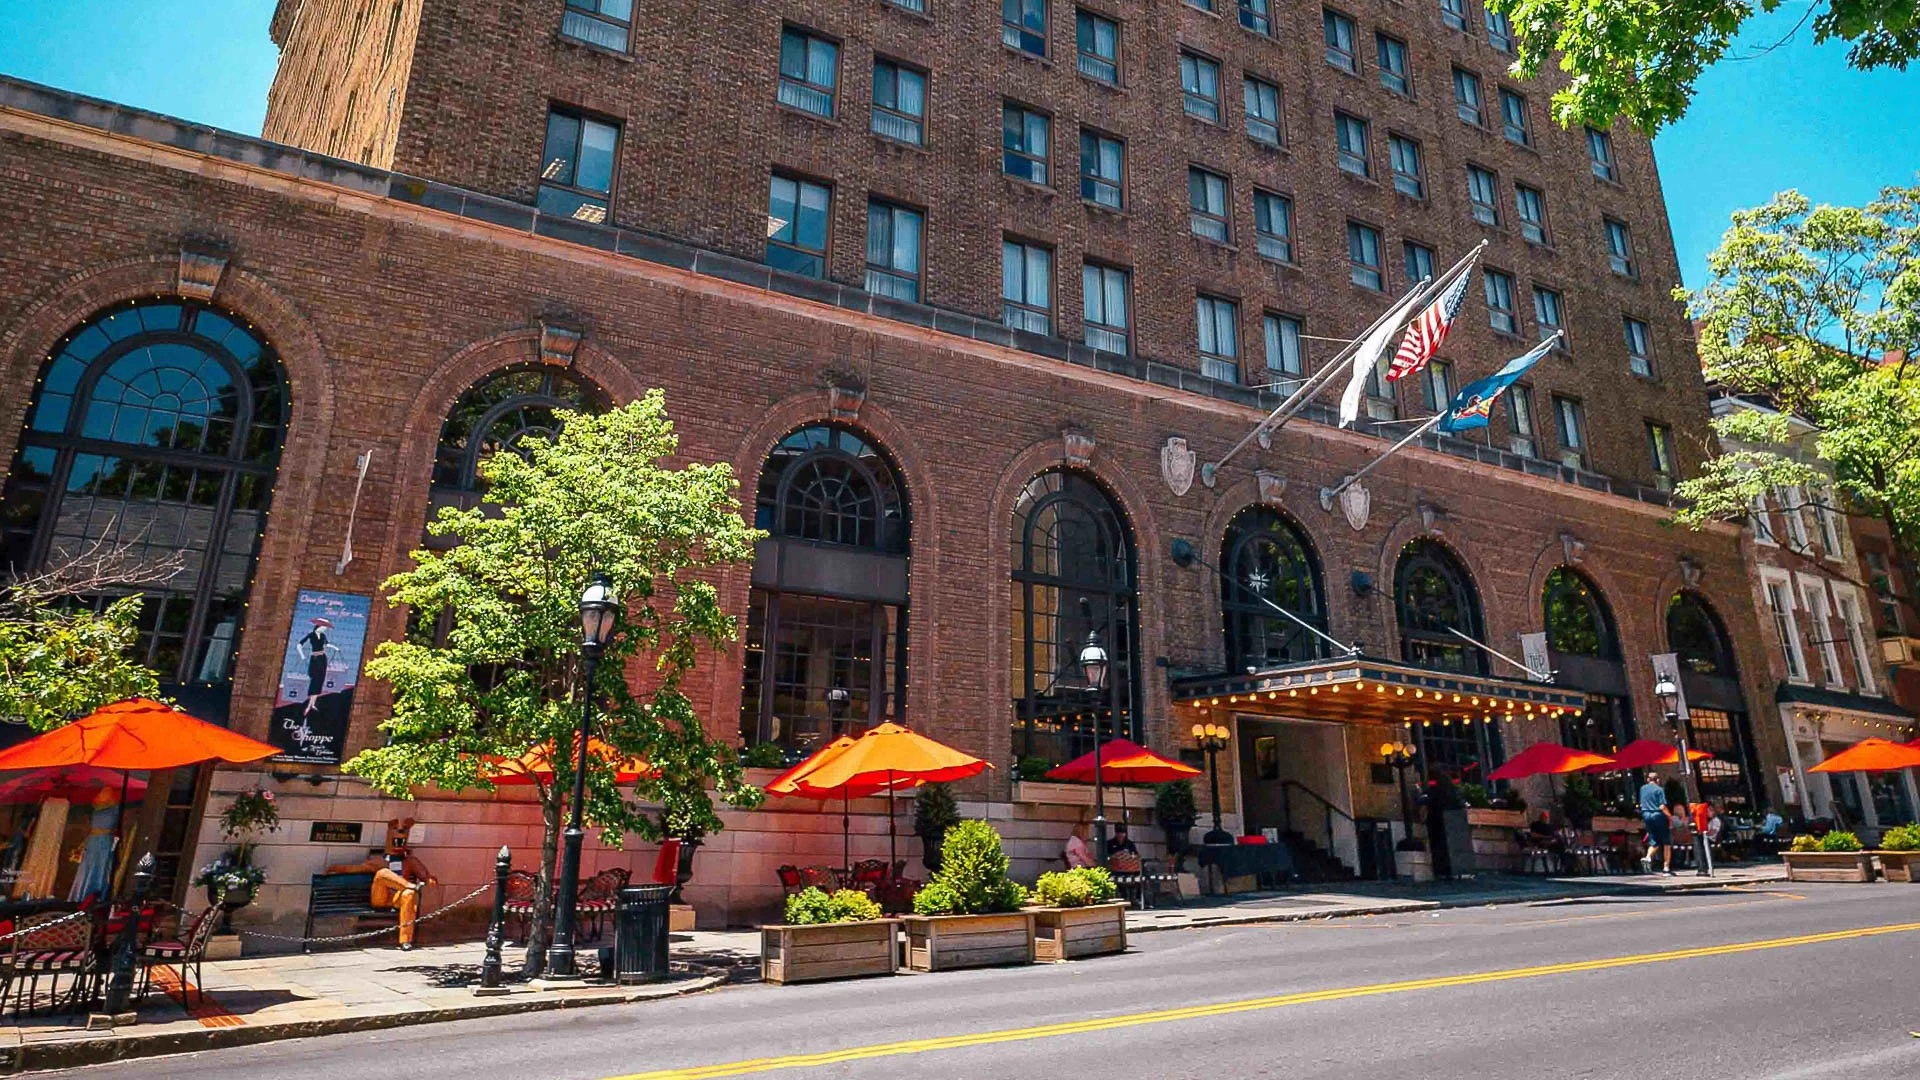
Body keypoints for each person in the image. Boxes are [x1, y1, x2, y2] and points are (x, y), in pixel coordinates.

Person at [1640, 775, 1675, 876]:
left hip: (1646, 815)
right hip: (1658, 815)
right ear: (1658, 780)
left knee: (1654, 841)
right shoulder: (1659, 790)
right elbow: (1662, 806)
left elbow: (1642, 804)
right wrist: (1670, 817)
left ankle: (1647, 857)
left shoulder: (1642, 789)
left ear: (1647, 780)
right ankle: (1666, 867)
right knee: (1666, 842)